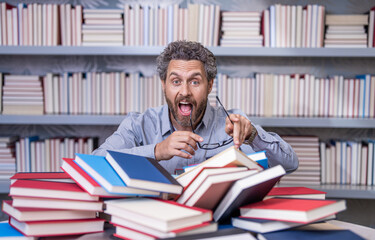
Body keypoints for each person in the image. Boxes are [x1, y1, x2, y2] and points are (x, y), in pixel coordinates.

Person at [93, 40, 298, 174]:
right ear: (163, 84)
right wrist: (157, 150)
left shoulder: (233, 124)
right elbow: (95, 164)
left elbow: (289, 164)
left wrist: (253, 135)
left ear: (209, 85)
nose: (184, 92)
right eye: (175, 81)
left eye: (194, 81)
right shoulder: (139, 124)